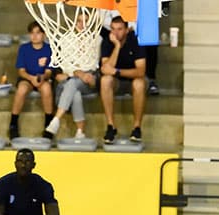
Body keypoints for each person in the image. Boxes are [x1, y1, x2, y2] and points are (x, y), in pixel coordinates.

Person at [45, 14, 98, 139]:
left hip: (88, 81)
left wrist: (81, 74)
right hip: (70, 80)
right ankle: (80, 132)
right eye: (79, 21)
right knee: (75, 91)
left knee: (73, 83)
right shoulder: (66, 39)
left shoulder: (97, 39)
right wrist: (77, 72)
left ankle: (56, 119)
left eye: (86, 21)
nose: (82, 24)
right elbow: (64, 65)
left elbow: (95, 64)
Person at [100, 16, 147, 144]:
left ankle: (136, 127)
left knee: (139, 83)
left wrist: (117, 72)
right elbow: (105, 69)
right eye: (113, 29)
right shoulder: (107, 41)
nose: (116, 33)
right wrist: (116, 46)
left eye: (120, 29)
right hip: (116, 82)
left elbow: (141, 71)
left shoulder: (135, 40)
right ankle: (111, 126)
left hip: (133, 79)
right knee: (105, 80)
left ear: (127, 30)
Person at [8, 21, 53, 140]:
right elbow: (21, 71)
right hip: (27, 78)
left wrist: (41, 77)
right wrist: (31, 78)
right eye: (32, 33)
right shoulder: (24, 49)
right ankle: (13, 123)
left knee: (47, 89)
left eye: (38, 33)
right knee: (21, 89)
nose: (34, 36)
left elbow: (49, 71)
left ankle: (49, 124)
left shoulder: (49, 49)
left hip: (42, 78)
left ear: (44, 34)